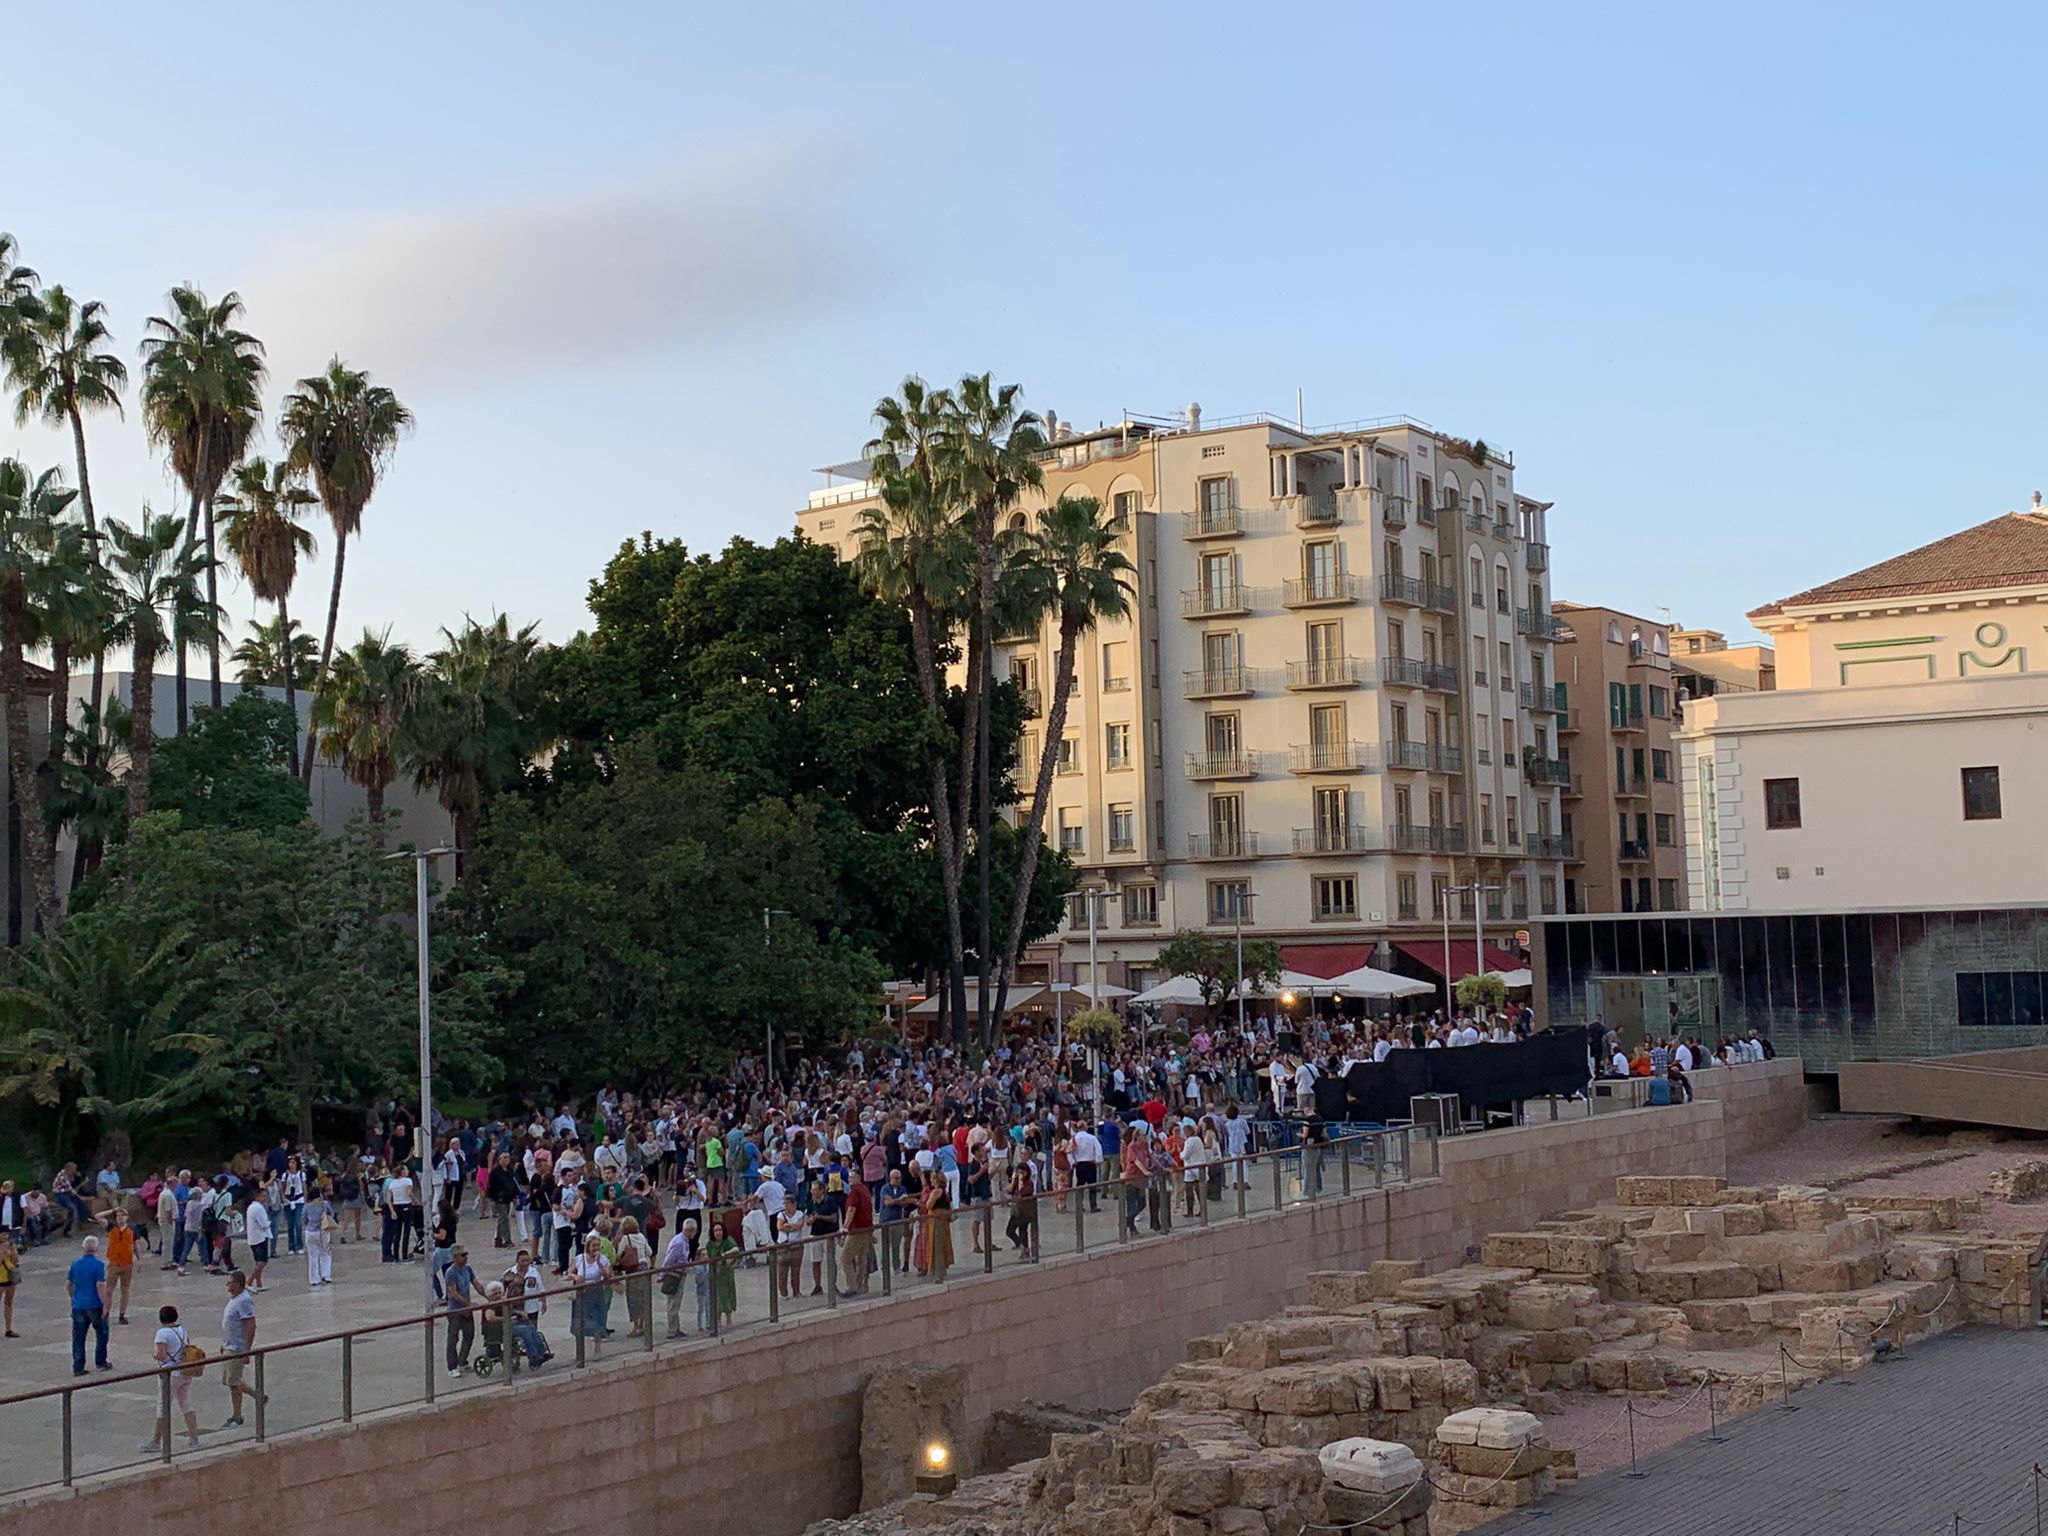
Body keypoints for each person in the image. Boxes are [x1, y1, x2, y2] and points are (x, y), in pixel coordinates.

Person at [142, 1304, 202, 1454]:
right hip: (185, 1371)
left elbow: (161, 1355)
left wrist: (154, 1355)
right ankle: (194, 1437)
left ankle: (156, 1441)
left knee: (163, 1406)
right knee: (185, 1403)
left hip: (170, 1373)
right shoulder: (182, 1330)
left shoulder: (162, 1333)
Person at [220, 1270, 261, 1428]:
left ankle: (237, 1416)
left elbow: (250, 1325)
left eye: (229, 1282)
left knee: (234, 1383)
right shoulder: (235, 1299)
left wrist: (246, 1350)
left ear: (237, 1284)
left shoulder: (244, 1301)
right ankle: (258, 1396)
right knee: (232, 1379)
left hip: (237, 1347)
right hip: (229, 1345)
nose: (227, 1285)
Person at [68, 1234, 112, 1376]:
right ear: (96, 1248)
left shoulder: (75, 1264)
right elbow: (100, 1285)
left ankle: (78, 1366)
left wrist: (74, 1297)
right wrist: (105, 1304)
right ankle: (101, 1362)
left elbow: (69, 1285)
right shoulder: (98, 1265)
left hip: (79, 1305)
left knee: (78, 1337)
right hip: (94, 1304)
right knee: (102, 1333)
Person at [570, 1232, 612, 1357]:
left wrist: (599, 1262)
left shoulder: (603, 1259)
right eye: (594, 1246)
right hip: (582, 1293)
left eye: (598, 1246)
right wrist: (575, 1276)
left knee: (597, 1321)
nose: (596, 1248)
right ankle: (579, 1351)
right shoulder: (579, 1258)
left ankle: (597, 1349)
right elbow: (569, 1272)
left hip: (596, 1292)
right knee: (580, 1322)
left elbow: (607, 1275)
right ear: (588, 1246)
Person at [441, 1245, 477, 1376]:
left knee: (469, 1334)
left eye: (466, 1254)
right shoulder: (451, 1272)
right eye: (463, 1255)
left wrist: (488, 1296)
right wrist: (468, 1304)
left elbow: (476, 1283)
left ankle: (462, 1361)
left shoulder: (468, 1269)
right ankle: (452, 1366)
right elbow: (453, 1293)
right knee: (453, 1338)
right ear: (455, 1257)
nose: (466, 1257)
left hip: (466, 1310)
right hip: (455, 1310)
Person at [102, 1206, 138, 1324]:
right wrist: (112, 1210)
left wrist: (138, 1260)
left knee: (125, 1289)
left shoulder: (132, 1228)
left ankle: (122, 1314)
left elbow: (135, 1245)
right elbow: (98, 1216)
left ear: (127, 1217)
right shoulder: (111, 1227)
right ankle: (106, 1313)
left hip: (127, 1263)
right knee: (109, 1290)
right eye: (118, 1215)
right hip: (114, 1262)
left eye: (122, 1215)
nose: (120, 1218)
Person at [841, 1175, 875, 1295]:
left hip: (856, 1230)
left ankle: (852, 1287)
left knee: (845, 1258)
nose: (849, 1181)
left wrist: (845, 1227)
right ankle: (860, 1286)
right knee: (862, 1258)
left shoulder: (855, 1191)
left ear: (857, 1178)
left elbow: (851, 1209)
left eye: (851, 1178)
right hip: (867, 1229)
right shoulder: (865, 1190)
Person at [706, 1217, 740, 1326]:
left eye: (720, 1230)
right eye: (715, 1230)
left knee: (727, 1295)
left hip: (726, 1273)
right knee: (717, 1297)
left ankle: (729, 1319)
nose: (718, 1233)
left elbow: (736, 1249)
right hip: (716, 1274)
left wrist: (724, 1255)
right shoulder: (709, 1244)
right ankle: (717, 1320)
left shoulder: (728, 1240)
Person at [305, 1184, 337, 1286]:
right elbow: (331, 1214)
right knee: (326, 1253)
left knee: (313, 1256)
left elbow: (303, 1219)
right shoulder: (324, 1204)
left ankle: (314, 1279)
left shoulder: (306, 1206)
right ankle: (326, 1274)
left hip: (310, 1232)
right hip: (323, 1231)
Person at [244, 1190, 273, 1292]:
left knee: (258, 1261)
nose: (265, 1198)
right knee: (262, 1261)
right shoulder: (259, 1208)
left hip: (253, 1238)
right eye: (263, 1196)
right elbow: (264, 1224)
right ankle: (250, 1280)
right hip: (260, 1237)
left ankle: (259, 1283)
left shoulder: (251, 1207)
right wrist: (269, 1222)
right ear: (257, 1197)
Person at [0, 1227, 18, 1337]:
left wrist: (13, 1251)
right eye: (3, 1235)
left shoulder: (11, 1245)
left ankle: (8, 1328)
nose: (5, 1237)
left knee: (9, 1302)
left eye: (7, 1234)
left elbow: (15, 1261)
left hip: (10, 1276)